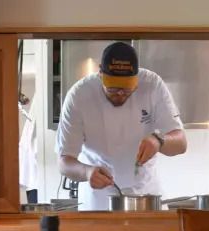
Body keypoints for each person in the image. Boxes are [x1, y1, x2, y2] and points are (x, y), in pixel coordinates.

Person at [56, 42, 187, 210]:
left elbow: (181, 143)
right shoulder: (79, 96)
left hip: (145, 194)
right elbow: (64, 162)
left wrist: (159, 141)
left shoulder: (152, 85)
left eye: (127, 90)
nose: (120, 94)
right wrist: (87, 172)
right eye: (113, 88)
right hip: (99, 199)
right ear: (100, 73)